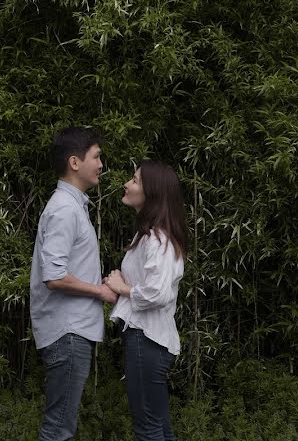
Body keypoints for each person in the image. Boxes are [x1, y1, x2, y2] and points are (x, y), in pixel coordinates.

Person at [30, 126, 118, 441]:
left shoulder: (73, 206)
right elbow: (53, 276)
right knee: (58, 429)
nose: (101, 164)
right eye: (97, 157)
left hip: (72, 331)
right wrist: (101, 291)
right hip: (68, 332)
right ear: (75, 162)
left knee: (60, 426)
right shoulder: (64, 209)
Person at [105, 161, 187, 441]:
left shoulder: (157, 239)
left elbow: (157, 293)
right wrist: (123, 285)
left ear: (152, 193)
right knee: (158, 426)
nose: (127, 184)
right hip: (148, 340)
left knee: (148, 428)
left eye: (135, 181)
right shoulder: (151, 236)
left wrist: (122, 287)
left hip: (147, 339)